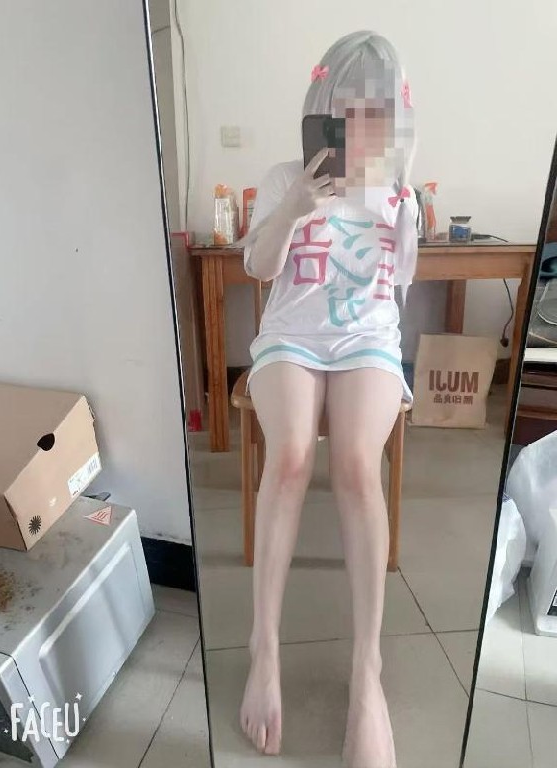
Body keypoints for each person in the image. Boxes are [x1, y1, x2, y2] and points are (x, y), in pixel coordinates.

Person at [239, 31, 418, 768]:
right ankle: (264, 649)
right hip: (291, 336)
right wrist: (296, 207)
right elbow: (259, 268)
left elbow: (399, 286)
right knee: (288, 457)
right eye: (342, 111)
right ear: (322, 109)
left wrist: (402, 206)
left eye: (371, 113)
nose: (354, 127)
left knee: (354, 464)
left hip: (368, 338)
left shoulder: (399, 186)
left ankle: (367, 675)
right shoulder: (287, 176)